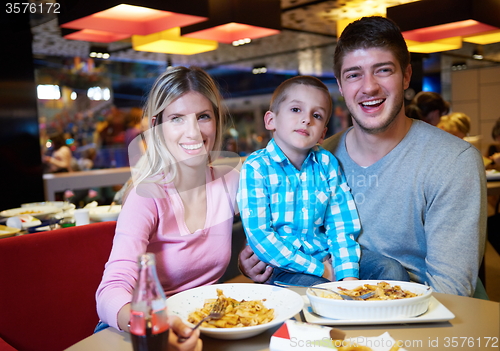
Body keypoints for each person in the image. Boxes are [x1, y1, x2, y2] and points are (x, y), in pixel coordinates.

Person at [240, 16, 486, 297]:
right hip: (324, 303)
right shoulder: (318, 156)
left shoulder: (454, 161)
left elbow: (451, 293)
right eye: (354, 74)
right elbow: (275, 233)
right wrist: (258, 262)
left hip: (409, 321)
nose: (368, 87)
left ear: (406, 76)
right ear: (341, 86)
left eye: (382, 70)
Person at [95, 66, 240, 350]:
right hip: (137, 328)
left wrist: (254, 253)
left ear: (216, 121)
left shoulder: (231, 181)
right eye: (177, 119)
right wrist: (150, 325)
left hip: (202, 325)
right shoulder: (146, 196)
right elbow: (110, 291)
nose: (193, 132)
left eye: (203, 117)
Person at [237, 76, 409, 287]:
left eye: (316, 115)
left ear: (322, 134)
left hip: (327, 255)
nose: (306, 119)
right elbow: (261, 237)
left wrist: (348, 274)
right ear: (271, 120)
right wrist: (322, 270)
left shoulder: (327, 163)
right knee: (316, 291)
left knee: (390, 270)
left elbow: (341, 224)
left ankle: (376, 316)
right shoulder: (256, 167)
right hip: (282, 267)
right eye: (295, 110)